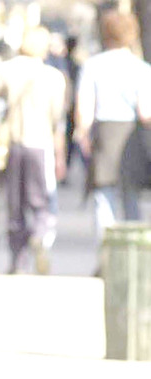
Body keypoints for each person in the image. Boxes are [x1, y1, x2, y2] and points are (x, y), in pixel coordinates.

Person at [0, 26, 67, 275]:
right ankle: (40, 235)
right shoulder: (54, 77)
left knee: (15, 204)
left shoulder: (5, 71)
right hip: (41, 145)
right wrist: (61, 156)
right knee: (40, 201)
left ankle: (18, 259)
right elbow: (58, 122)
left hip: (12, 144)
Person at [75, 10, 151, 239]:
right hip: (131, 136)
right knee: (131, 198)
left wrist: (83, 135)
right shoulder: (142, 68)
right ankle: (135, 253)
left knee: (103, 199)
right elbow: (145, 112)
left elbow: (84, 108)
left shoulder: (93, 66)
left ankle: (105, 256)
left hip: (104, 135)